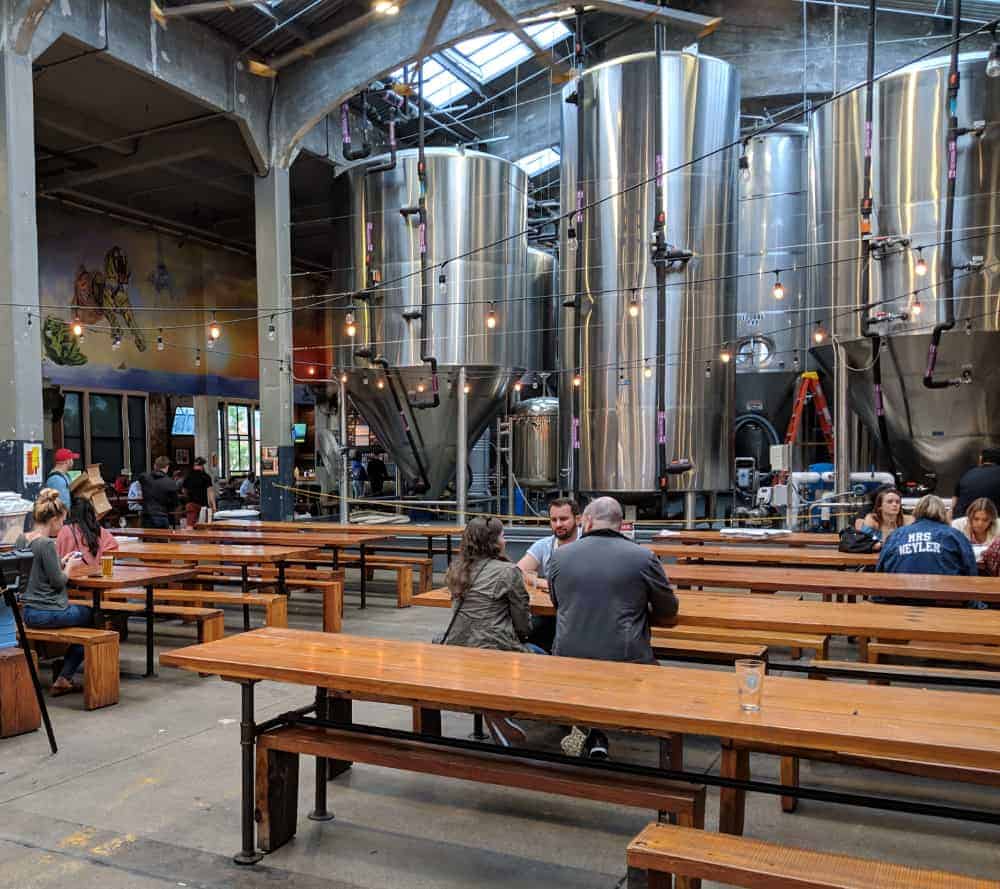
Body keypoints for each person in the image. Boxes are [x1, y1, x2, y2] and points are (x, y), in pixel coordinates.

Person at [548, 496, 678, 759]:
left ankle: (590, 730)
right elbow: (668, 612)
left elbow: (557, 603)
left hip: (567, 656)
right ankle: (669, 754)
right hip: (626, 658)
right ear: (621, 524)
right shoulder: (643, 557)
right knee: (665, 681)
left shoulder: (559, 557)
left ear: (588, 520)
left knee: (585, 665)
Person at [442, 516, 535, 747]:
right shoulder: (507, 572)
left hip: (458, 646)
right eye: (503, 536)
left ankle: (494, 717)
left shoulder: (457, 568)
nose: (505, 540)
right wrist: (524, 637)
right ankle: (500, 715)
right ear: (494, 542)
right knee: (544, 659)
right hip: (493, 647)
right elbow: (522, 619)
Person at [16, 489, 87, 696]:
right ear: (54, 519)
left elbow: (34, 571)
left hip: (28, 612)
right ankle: (65, 676)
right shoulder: (46, 544)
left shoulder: (23, 539)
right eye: (62, 522)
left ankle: (62, 670)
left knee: (83, 616)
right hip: (48, 611)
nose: (63, 526)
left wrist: (60, 562)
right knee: (92, 615)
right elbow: (58, 582)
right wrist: (70, 566)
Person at [876, 494, 978, 582]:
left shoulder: (897, 534)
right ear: (942, 512)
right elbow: (971, 568)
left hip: (898, 597)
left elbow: (880, 567)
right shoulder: (954, 535)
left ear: (917, 511)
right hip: (944, 597)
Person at [516, 497, 581, 591]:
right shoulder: (544, 545)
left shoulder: (589, 542)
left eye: (563, 519)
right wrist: (548, 584)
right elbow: (517, 573)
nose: (558, 524)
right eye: (554, 520)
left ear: (578, 519)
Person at [56, 496, 119, 568]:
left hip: (71, 575)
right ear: (90, 512)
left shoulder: (64, 530)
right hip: (96, 575)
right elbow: (113, 546)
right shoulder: (98, 529)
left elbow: (58, 556)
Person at [953, 447, 1000, 520]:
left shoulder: (967, 473)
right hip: (989, 523)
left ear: (981, 459)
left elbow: (955, 500)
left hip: (961, 521)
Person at [139, 456, 179, 528]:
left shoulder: (144, 478)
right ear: (167, 467)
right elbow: (175, 503)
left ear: (155, 466)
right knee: (163, 538)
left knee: (148, 538)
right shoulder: (170, 482)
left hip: (146, 515)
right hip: (161, 515)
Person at [182, 457, 216, 527]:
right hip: (203, 505)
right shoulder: (206, 476)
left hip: (191, 503)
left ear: (194, 465)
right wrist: (214, 506)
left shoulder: (188, 476)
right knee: (205, 527)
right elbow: (210, 492)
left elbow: (184, 490)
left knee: (190, 526)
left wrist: (188, 496)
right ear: (202, 465)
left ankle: (190, 537)